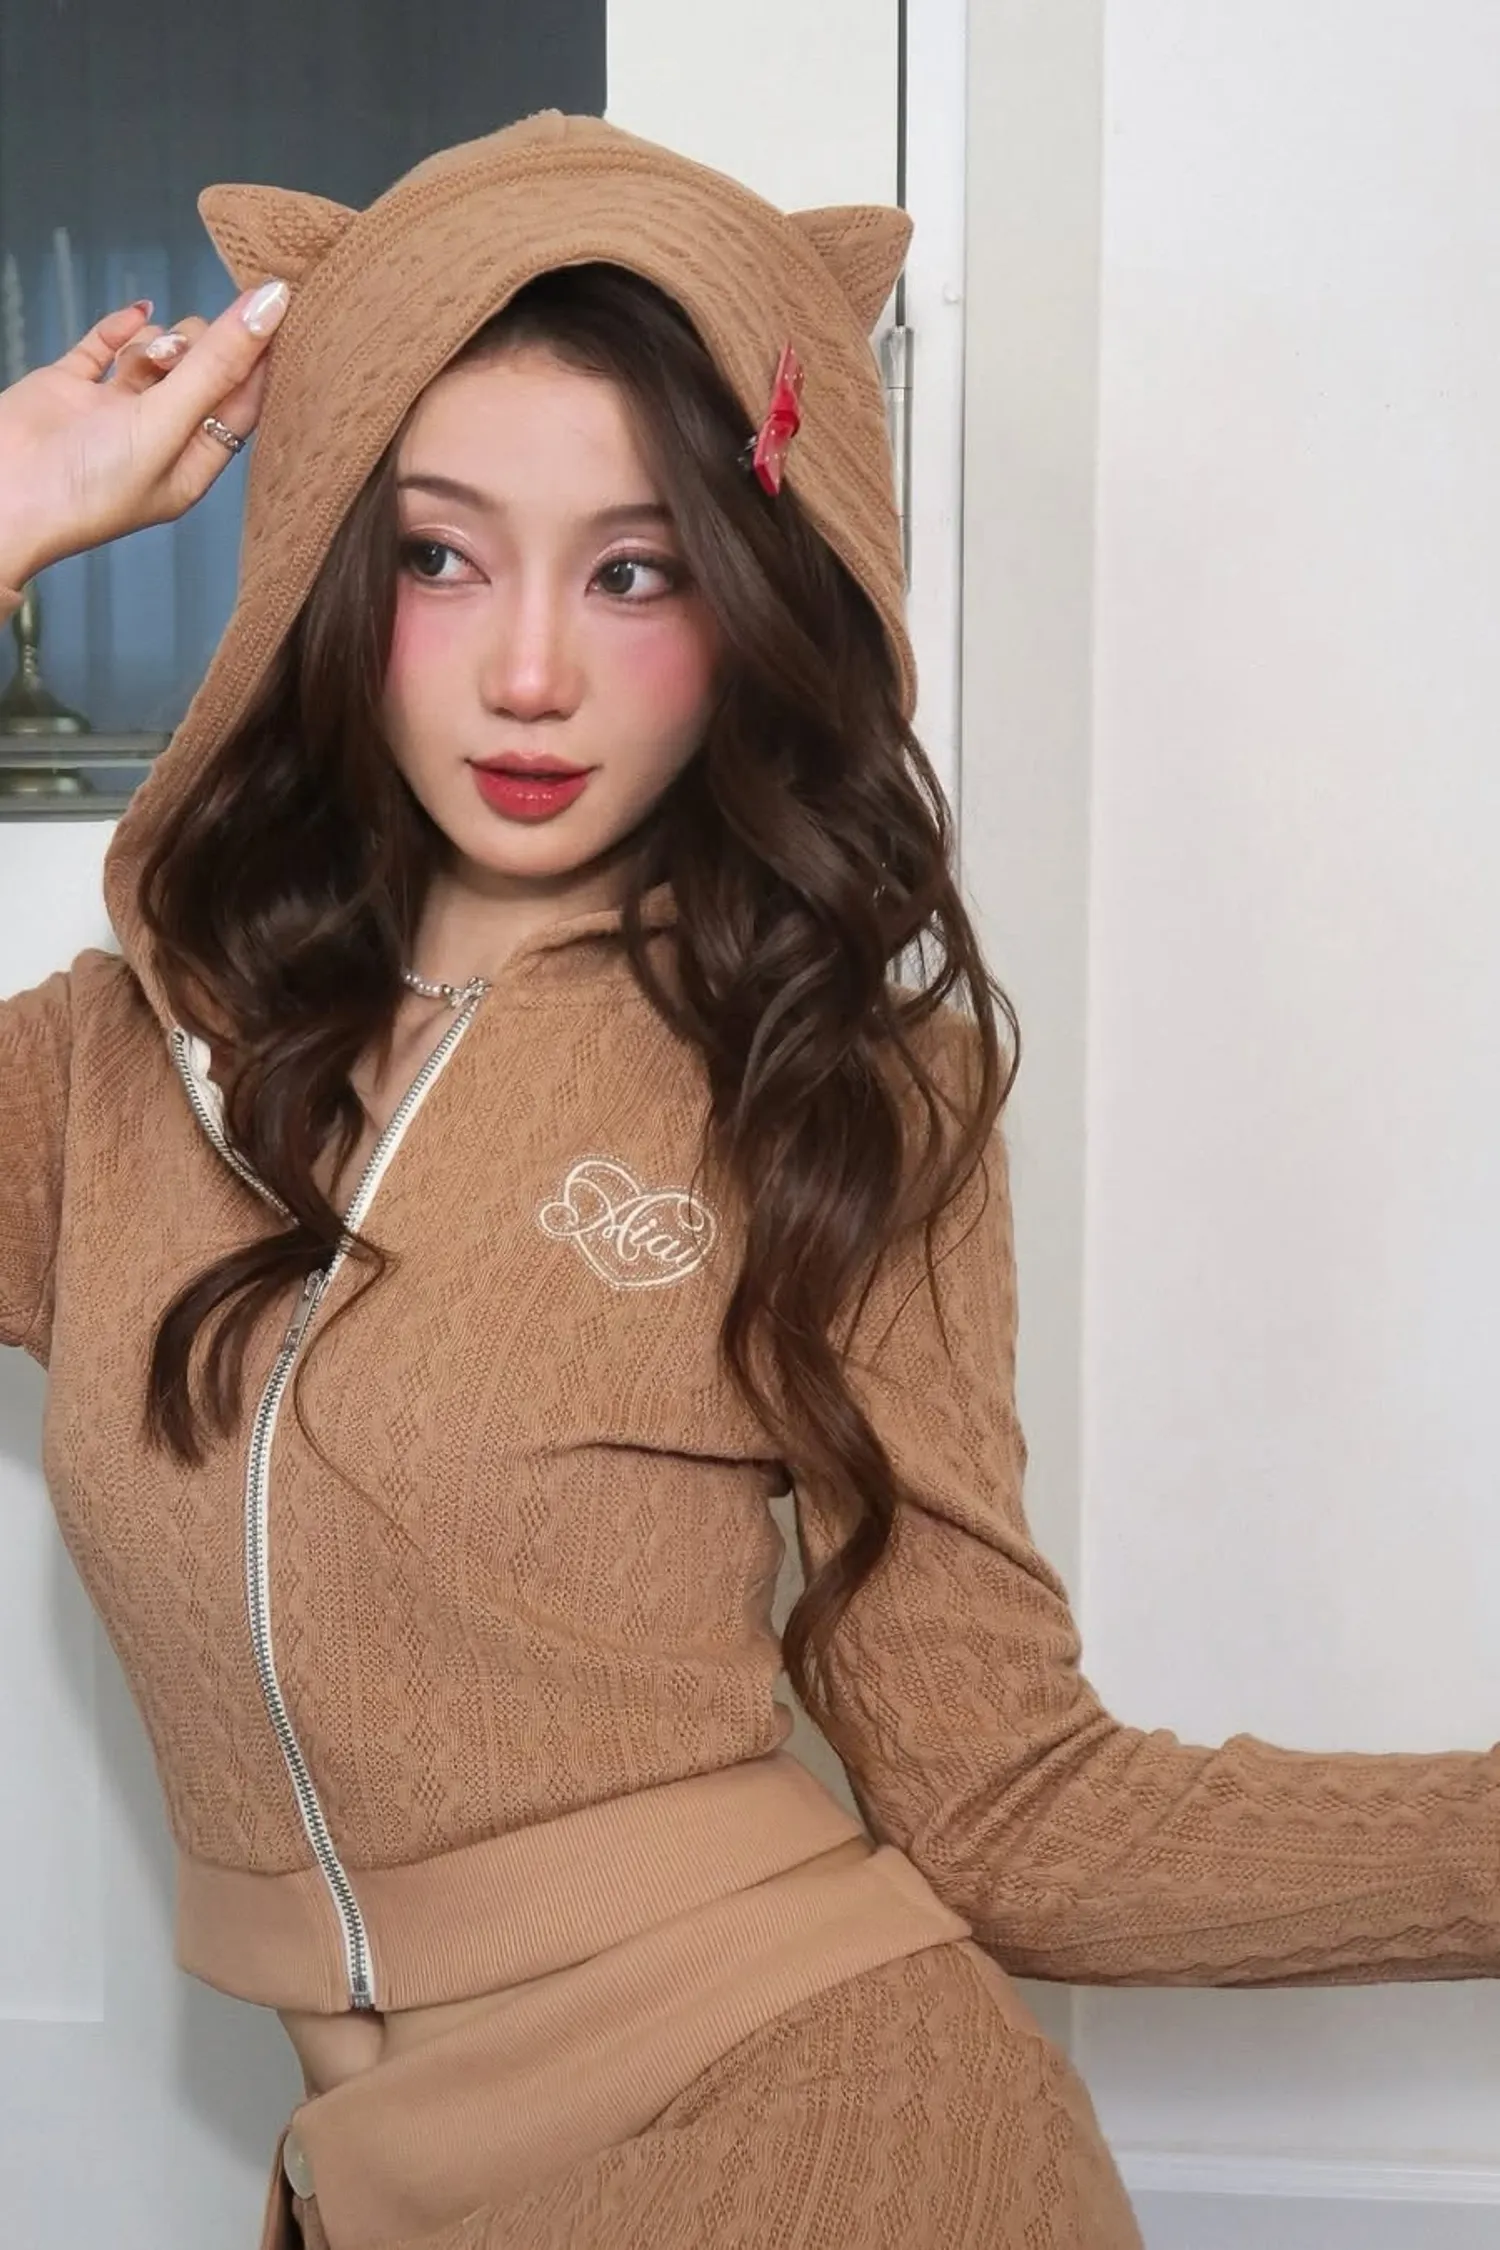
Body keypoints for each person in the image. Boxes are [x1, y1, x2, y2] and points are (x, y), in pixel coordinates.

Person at [0, 110, 1494, 2250]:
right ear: (332, 566)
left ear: (757, 597)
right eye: (440, 556)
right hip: (364, 2188)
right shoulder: (118, 1065)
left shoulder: (838, 1091)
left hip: (827, 2150)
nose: (532, 671)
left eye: (639, 570)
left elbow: (1011, 1807)